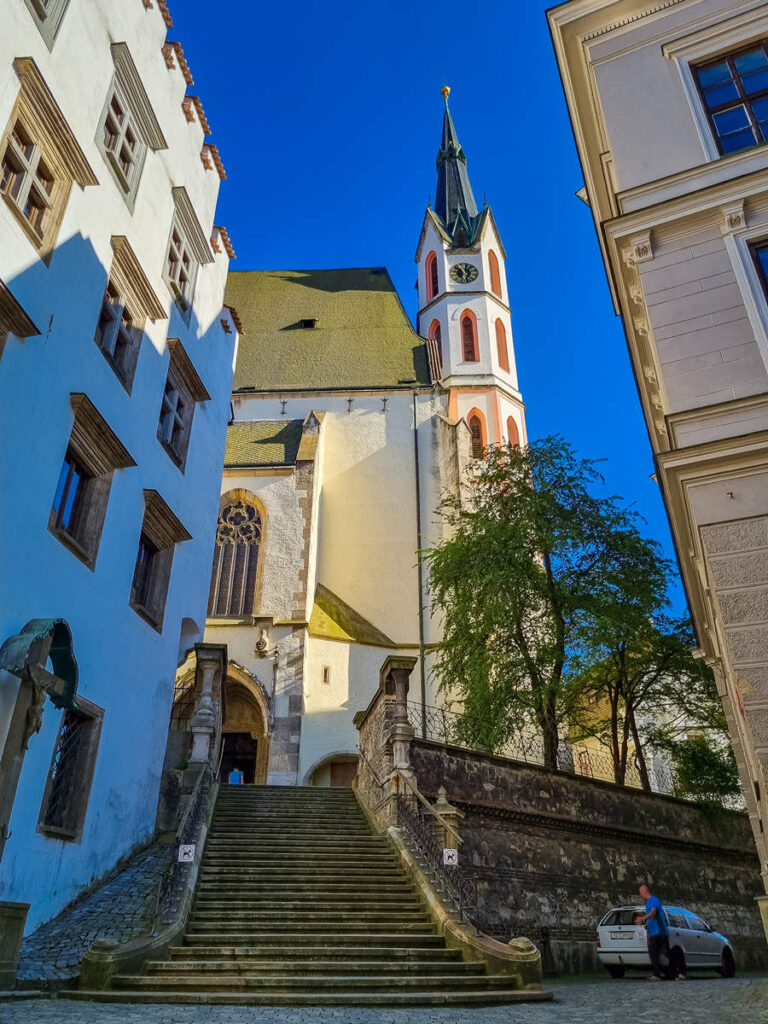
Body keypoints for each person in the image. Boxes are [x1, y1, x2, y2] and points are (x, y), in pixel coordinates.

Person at [635, 883, 672, 980]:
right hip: (654, 932)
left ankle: (657, 974)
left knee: (656, 953)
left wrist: (642, 918)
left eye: (640, 893)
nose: (640, 895)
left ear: (643, 892)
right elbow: (652, 917)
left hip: (659, 932)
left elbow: (653, 912)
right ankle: (666, 973)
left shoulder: (653, 900)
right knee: (660, 953)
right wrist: (646, 924)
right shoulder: (649, 902)